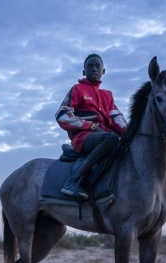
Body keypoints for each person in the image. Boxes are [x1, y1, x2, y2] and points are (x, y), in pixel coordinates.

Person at [55, 54, 128, 199]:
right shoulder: (77, 89)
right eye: (90, 66)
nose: (94, 69)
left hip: (105, 136)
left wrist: (132, 132)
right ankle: (74, 180)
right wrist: (91, 126)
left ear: (103, 71)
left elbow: (117, 120)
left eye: (97, 66)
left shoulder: (108, 95)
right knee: (112, 138)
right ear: (84, 72)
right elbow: (62, 115)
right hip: (84, 138)